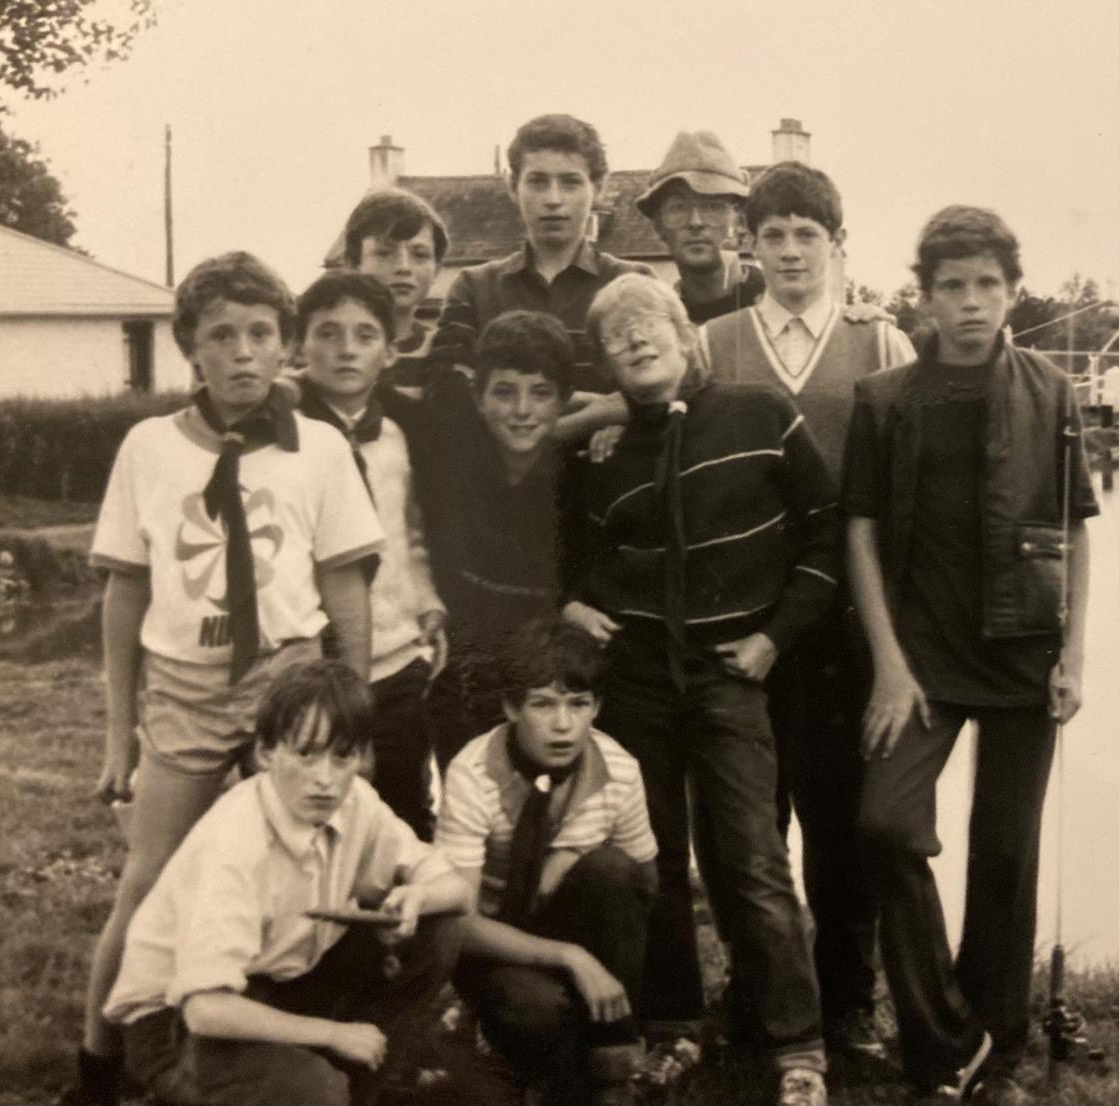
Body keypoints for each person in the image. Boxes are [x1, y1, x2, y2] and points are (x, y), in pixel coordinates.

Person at [67, 252, 386, 1106]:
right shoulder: (149, 448)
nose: (243, 353)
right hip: (185, 687)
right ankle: (98, 1065)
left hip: (289, 680)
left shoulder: (320, 449)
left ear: (286, 345)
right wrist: (119, 736)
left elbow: (345, 587)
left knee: (295, 863)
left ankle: (269, 1047)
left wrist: (350, 721)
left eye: (260, 334)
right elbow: (125, 592)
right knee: (151, 876)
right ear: (190, 348)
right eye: (220, 336)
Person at [843, 207, 1097, 1100]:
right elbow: (860, 532)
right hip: (920, 661)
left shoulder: (1052, 393)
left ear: (1015, 293)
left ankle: (996, 1042)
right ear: (924, 298)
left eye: (988, 283)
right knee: (884, 825)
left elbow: (1074, 528)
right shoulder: (885, 401)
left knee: (1005, 854)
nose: (971, 302)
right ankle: (948, 1033)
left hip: (1024, 657)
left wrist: (1073, 657)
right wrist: (888, 663)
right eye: (951, 286)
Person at [565, 273, 837, 1106]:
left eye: (649, 322)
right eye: (617, 335)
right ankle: (673, 1025)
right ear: (606, 363)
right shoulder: (601, 452)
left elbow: (826, 534)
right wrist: (572, 602)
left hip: (729, 675)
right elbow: (571, 552)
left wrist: (773, 638)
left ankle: (798, 1047)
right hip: (638, 678)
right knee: (653, 857)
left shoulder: (760, 414)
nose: (636, 339)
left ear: (687, 335)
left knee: (753, 858)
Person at [699, 160, 915, 1059]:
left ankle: (849, 1001)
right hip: (745, 619)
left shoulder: (881, 342)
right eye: (773, 235)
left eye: (807, 235)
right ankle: (757, 993)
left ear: (837, 244)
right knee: (749, 820)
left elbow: (909, 481)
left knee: (841, 819)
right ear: (749, 244)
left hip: (847, 621)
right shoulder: (714, 344)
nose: (790, 252)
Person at [104, 659, 471, 1106]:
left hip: (276, 979)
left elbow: (457, 890)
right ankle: (302, 1086)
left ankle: (352, 1090)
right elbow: (205, 1008)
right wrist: (332, 1034)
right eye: (306, 754)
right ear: (265, 753)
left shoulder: (354, 801)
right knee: (317, 1092)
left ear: (360, 757)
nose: (325, 779)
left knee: (440, 929)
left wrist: (417, 897)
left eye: (342, 756)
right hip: (175, 1023)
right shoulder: (236, 842)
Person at [435, 617, 657, 1104]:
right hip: (494, 942)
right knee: (535, 1010)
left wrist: (575, 856)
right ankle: (538, 1065)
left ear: (597, 707)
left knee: (613, 870)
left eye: (578, 704)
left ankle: (614, 1063)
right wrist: (571, 959)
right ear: (511, 707)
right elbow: (459, 922)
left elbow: (642, 883)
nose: (563, 725)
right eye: (543, 704)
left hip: (569, 922)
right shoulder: (473, 772)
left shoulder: (619, 769)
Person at [296, 270, 447, 838]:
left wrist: (427, 602)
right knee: (317, 810)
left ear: (389, 352)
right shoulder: (283, 437)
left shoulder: (397, 438)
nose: (346, 350)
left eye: (364, 336)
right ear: (299, 346)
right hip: (311, 661)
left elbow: (410, 532)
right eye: (328, 333)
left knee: (404, 807)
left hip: (394, 656)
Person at [434, 113, 653, 441]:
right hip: (500, 470)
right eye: (537, 182)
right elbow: (448, 393)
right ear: (513, 187)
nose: (553, 199)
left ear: (598, 188)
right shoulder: (475, 287)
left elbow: (662, 391)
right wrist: (599, 411)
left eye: (570, 182)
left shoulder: (633, 283)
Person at [428, 310, 576, 766]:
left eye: (541, 393)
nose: (522, 410)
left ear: (563, 400)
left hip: (546, 669)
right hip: (463, 665)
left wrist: (609, 413)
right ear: (478, 397)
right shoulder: (452, 453)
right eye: (505, 392)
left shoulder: (581, 470)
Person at [634, 130, 763, 324]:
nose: (695, 222)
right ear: (658, 226)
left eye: (712, 207)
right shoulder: (657, 324)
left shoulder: (779, 305)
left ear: (741, 221)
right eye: (679, 208)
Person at [339, 188, 453, 395]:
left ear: (436, 269)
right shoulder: (337, 351)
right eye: (384, 253)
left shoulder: (444, 352)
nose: (403, 267)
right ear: (353, 264)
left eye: (420, 255)